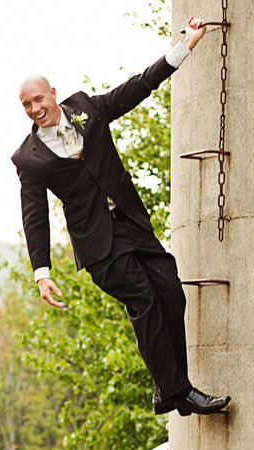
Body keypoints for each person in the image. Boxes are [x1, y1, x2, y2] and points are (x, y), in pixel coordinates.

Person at [12, 16, 230, 417]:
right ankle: (180, 392)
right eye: (26, 105)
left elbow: (136, 88)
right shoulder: (29, 158)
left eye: (39, 99)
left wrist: (186, 46)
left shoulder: (85, 108)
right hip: (98, 247)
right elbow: (35, 216)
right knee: (144, 300)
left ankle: (168, 388)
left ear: (53, 94)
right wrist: (41, 272)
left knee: (170, 292)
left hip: (131, 225)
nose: (35, 109)